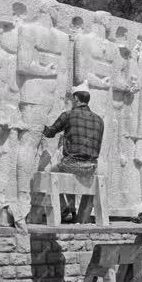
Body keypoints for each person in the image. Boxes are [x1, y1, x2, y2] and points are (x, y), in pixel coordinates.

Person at [43, 80, 104, 222]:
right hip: (90, 167)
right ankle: (81, 218)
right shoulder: (99, 120)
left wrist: (40, 123)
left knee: (50, 172)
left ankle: (65, 207)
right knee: (82, 174)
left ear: (76, 98)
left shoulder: (68, 115)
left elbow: (50, 133)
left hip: (71, 165)